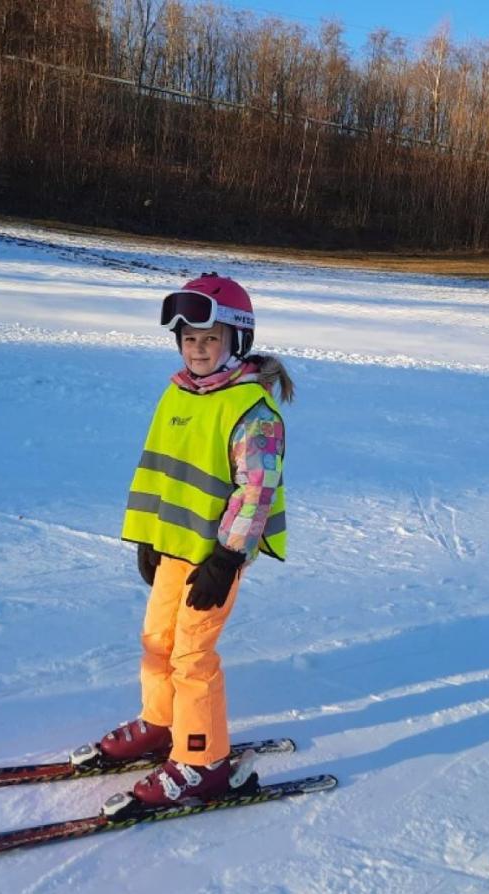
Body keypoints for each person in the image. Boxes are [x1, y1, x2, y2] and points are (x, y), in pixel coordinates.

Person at [77, 272, 293, 807]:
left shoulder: (251, 410)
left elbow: (256, 490)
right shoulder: (178, 395)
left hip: (216, 556)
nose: (198, 349)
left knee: (193, 655)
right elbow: (162, 474)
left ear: (235, 342)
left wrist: (227, 558)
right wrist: (148, 539)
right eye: (190, 339)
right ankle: (162, 722)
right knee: (157, 642)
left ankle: (203, 761)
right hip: (173, 548)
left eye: (211, 339)